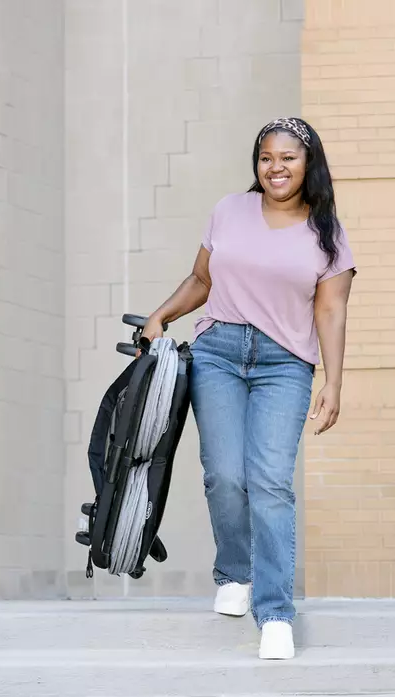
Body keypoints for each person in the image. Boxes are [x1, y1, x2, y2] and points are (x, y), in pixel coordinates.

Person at [141, 117, 355, 661]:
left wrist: (333, 382)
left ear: (309, 164)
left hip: (285, 364)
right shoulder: (229, 211)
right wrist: (161, 315)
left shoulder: (326, 233)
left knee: (270, 482)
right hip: (218, 352)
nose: (276, 167)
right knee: (224, 475)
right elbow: (202, 280)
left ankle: (276, 609)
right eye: (266, 157)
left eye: (288, 157)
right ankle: (234, 571)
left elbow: (330, 310)